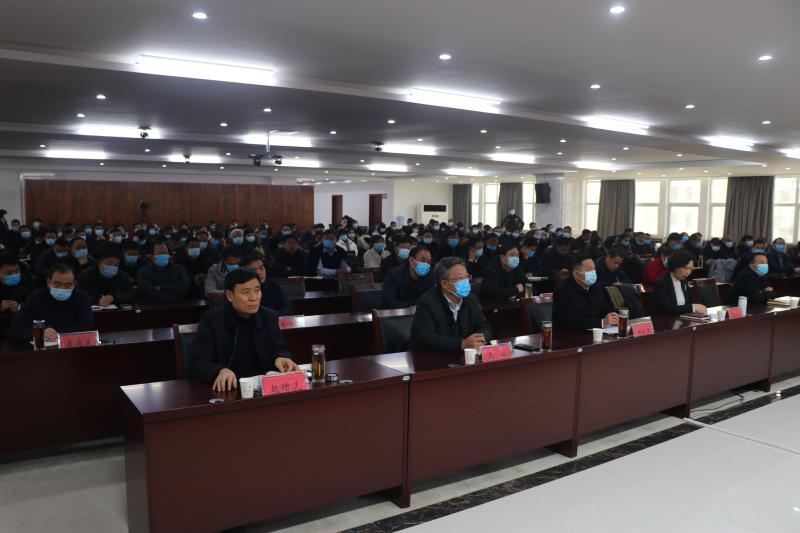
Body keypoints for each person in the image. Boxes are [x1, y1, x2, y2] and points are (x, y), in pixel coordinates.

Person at [187, 269, 300, 391]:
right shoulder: (212, 321)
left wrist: (281, 357)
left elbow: (279, 348)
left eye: (257, 290)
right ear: (230, 295)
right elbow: (196, 363)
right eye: (246, 292)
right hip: (228, 388)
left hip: (261, 388)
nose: (253, 298)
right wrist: (220, 370)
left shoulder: (268, 317)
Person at [409, 257, 493, 352]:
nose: (465, 282)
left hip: (463, 355)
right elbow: (426, 338)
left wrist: (479, 339)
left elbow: (485, 327)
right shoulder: (427, 302)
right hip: (431, 357)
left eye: (466, 277)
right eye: (460, 278)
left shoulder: (472, 300)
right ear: (445, 284)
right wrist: (461, 344)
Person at [7, 262, 93, 342]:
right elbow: (14, 329)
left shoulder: (82, 298)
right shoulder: (35, 299)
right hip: (43, 349)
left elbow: (86, 325)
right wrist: (39, 333)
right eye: (57, 284)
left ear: (74, 284)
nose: (62, 289)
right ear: (48, 282)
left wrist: (55, 333)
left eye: (68, 285)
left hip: (71, 347)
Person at [552, 255, 618, 331]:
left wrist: (614, 317)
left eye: (594, 269)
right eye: (589, 269)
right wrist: (602, 322)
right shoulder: (562, 291)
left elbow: (605, 309)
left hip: (593, 333)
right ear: (576, 273)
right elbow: (568, 321)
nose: (593, 272)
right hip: (569, 335)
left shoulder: (595, 287)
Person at [653, 251, 707, 315]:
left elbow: (691, 300)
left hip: (682, 318)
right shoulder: (661, 283)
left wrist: (699, 306)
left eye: (691, 269)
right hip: (665, 319)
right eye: (685, 268)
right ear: (675, 266)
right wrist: (693, 308)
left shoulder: (683, 281)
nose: (688, 272)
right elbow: (667, 308)